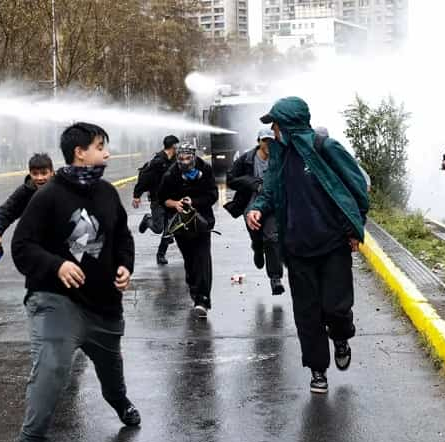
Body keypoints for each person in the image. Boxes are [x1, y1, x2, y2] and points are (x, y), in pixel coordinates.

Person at [11, 122, 139, 442]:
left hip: (103, 306)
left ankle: (120, 402)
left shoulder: (108, 193)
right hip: (56, 301)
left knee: (112, 374)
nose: (107, 153)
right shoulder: (48, 195)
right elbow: (22, 247)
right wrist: (57, 267)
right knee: (52, 366)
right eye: (100, 146)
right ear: (80, 152)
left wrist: (125, 266)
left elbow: (122, 237)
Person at [246, 97, 369, 394]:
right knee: (307, 314)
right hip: (297, 250)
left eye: (275, 124)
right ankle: (317, 370)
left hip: (332, 246)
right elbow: (272, 189)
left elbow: (357, 189)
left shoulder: (324, 148)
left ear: (287, 124)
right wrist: (259, 207)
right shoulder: (279, 155)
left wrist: (355, 227)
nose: (272, 131)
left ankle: (340, 337)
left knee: (336, 308)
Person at [158, 143, 218, 318]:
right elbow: (162, 199)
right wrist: (175, 204)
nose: (184, 162)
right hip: (181, 226)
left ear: (194, 156)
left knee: (203, 259)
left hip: (202, 222)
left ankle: (202, 300)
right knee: (190, 261)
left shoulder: (205, 169)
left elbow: (213, 195)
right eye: (181, 158)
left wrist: (194, 202)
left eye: (187, 158)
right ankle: (194, 287)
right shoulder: (171, 174)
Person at [226, 128, 285, 295]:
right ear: (259, 141)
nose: (268, 144)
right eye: (265, 140)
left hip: (271, 203)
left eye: (271, 140)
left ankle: (275, 278)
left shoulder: (279, 158)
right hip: (250, 204)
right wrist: (253, 183)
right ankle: (258, 249)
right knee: (257, 235)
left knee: (272, 237)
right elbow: (231, 179)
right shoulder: (247, 159)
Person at [0, 153, 54, 253]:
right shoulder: (25, 192)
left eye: (44, 173)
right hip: (38, 251)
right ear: (30, 173)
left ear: (52, 172)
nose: (40, 178)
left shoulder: (63, 188)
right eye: (35, 174)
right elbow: (3, 213)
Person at [133, 135, 179, 265]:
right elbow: (144, 178)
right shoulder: (158, 162)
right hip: (157, 199)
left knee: (170, 228)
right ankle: (148, 220)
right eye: (177, 146)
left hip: (171, 199)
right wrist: (137, 195)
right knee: (158, 228)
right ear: (172, 147)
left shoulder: (175, 160)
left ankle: (161, 255)